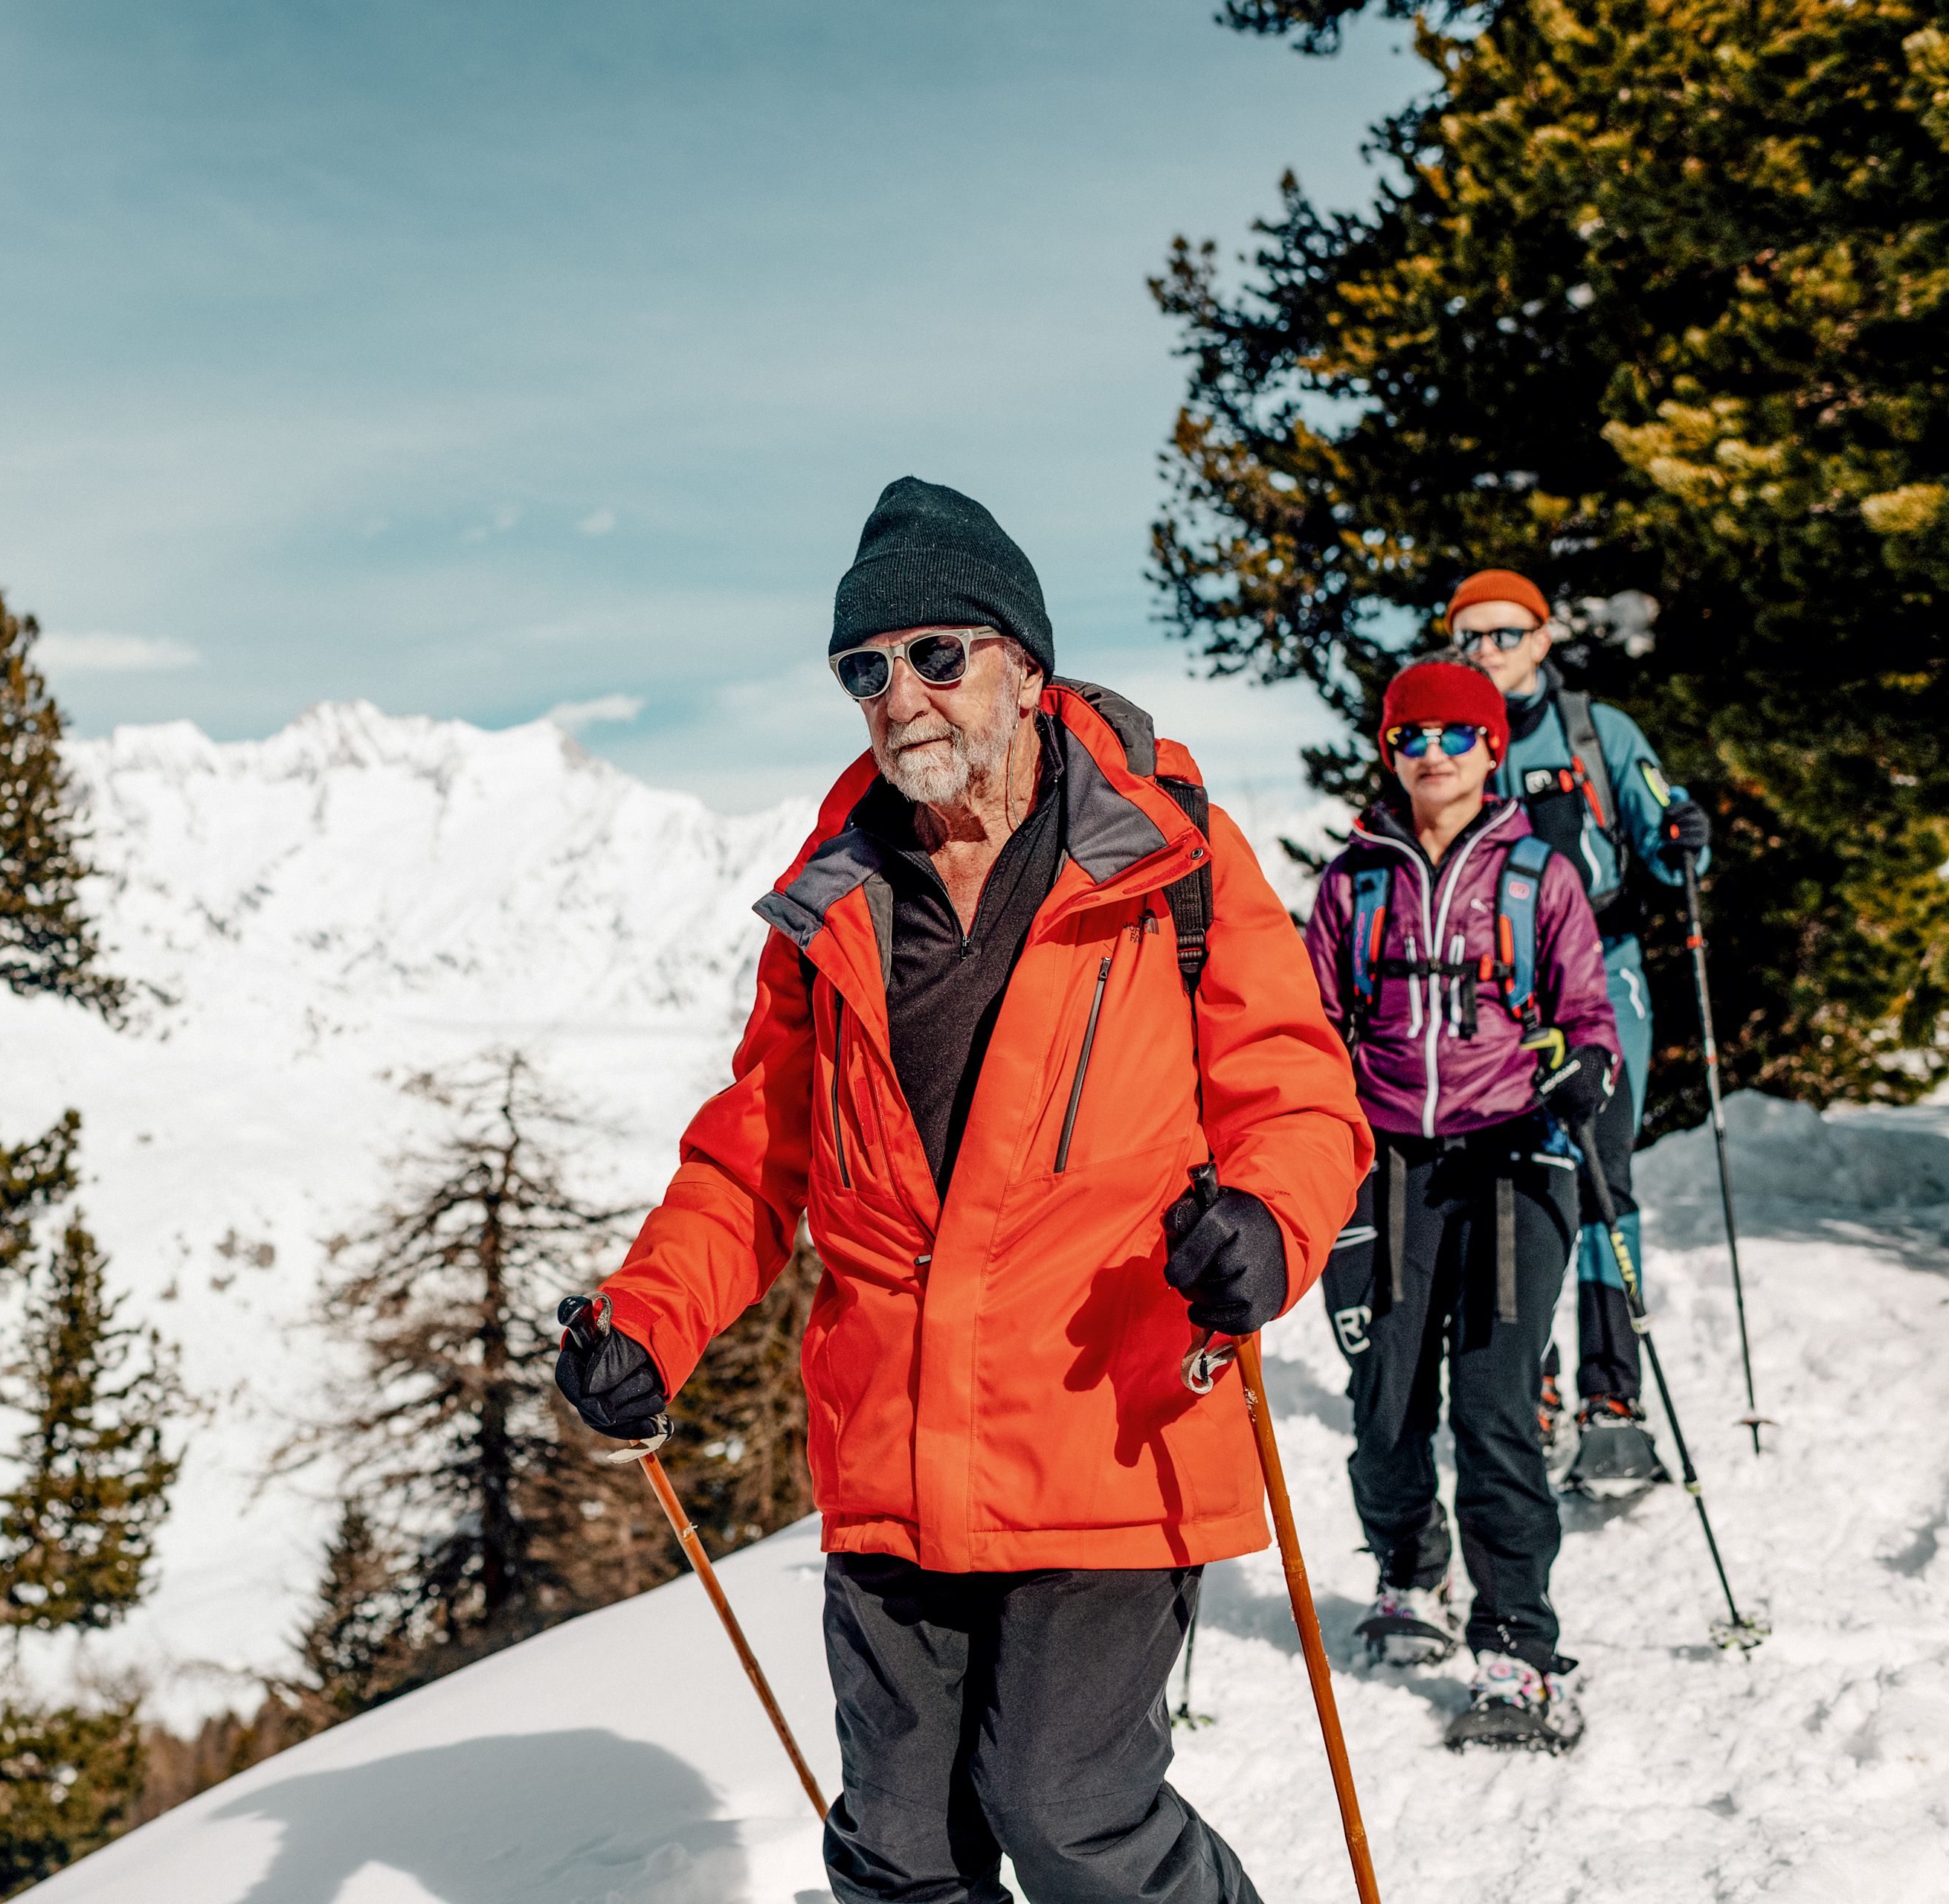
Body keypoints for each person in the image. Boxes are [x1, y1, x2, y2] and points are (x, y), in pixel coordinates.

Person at [551, 477, 1370, 1903]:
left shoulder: (1171, 861)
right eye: (865, 670)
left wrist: (1272, 1224)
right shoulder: (832, 907)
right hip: (892, 1453)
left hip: (1106, 1430)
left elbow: (1295, 1093)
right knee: (902, 1855)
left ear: (1028, 667)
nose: (901, 697)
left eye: (938, 655)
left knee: (1069, 1816)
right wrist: (647, 1322)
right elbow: (754, 1156)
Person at [1299, 659, 1620, 1752]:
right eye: (1410, 738)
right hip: (1386, 1163)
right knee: (1386, 1399)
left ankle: (1518, 1650)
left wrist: (1585, 1067)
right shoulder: (1356, 881)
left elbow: (1590, 1013)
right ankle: (1406, 1572)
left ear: (1492, 749)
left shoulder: (1540, 877)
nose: (1430, 754)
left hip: (1515, 1155)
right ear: (1388, 752)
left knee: (1493, 1407)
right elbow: (1307, 1027)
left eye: (1453, 736)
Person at [1445, 570, 1711, 1490]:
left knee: (1604, 1174)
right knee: (1509, 1181)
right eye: (1469, 637)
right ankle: (1534, 1381)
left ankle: (1613, 1393)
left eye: (1504, 634)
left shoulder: (1598, 732)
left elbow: (1662, 829)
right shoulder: (1455, 740)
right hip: (1497, 988)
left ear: (1543, 636)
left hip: (1605, 966)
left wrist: (1683, 835)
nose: (1487, 652)